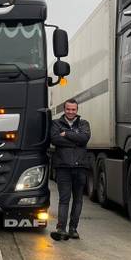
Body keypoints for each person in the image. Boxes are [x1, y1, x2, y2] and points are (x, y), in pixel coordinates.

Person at [49, 99, 91, 241]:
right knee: (64, 199)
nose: (71, 112)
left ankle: (73, 229)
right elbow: (54, 139)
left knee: (78, 199)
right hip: (63, 167)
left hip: (81, 167)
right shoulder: (56, 123)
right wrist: (76, 140)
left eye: (73, 110)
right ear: (64, 109)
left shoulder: (84, 123)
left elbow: (84, 138)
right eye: (68, 109)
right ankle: (61, 229)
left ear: (77, 110)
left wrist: (66, 134)